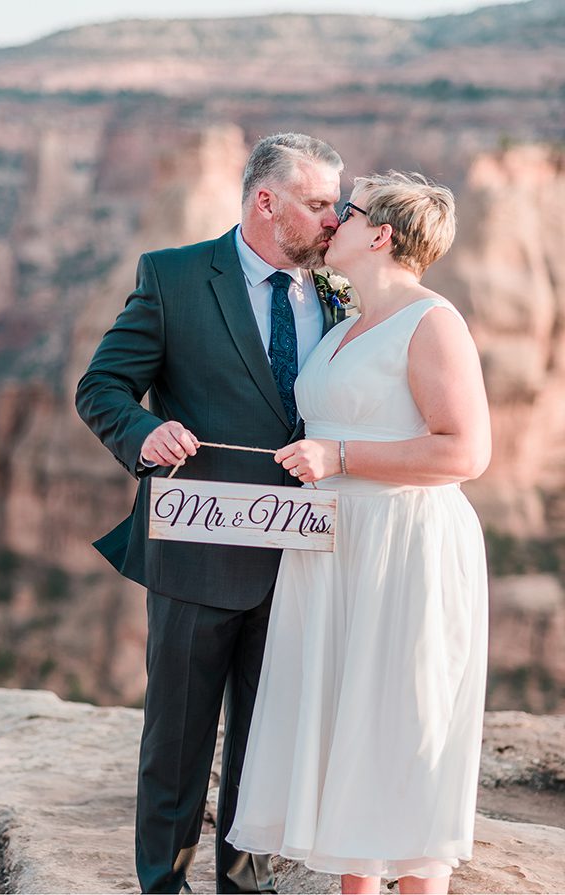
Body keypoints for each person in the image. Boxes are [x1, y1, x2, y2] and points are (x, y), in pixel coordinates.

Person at [76, 132, 347, 894]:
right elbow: (100, 389)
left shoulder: (337, 290)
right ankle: (164, 885)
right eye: (320, 204)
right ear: (267, 201)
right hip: (198, 552)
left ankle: (242, 885)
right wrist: (145, 433)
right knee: (179, 742)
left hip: (302, 556)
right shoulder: (174, 277)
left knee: (265, 748)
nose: (336, 219)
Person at [225, 173, 489, 895]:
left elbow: (465, 452)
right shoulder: (344, 325)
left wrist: (341, 457)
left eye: (350, 209)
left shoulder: (433, 322)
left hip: (405, 544)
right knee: (348, 721)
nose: (333, 218)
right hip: (333, 544)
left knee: (402, 723)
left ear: (382, 235)